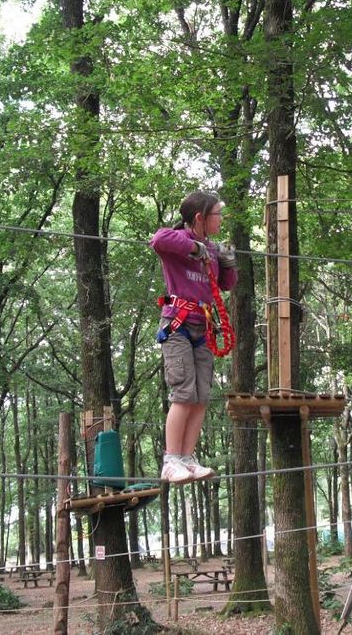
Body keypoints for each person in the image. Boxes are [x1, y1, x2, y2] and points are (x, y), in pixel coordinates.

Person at [151, 191, 237, 484]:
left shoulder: (213, 248)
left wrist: (227, 262)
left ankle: (187, 458)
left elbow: (226, 285)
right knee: (184, 392)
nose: (221, 219)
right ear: (200, 217)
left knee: (200, 396)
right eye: (217, 214)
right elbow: (159, 240)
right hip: (179, 325)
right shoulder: (177, 240)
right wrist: (194, 248)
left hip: (205, 325)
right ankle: (171, 459)